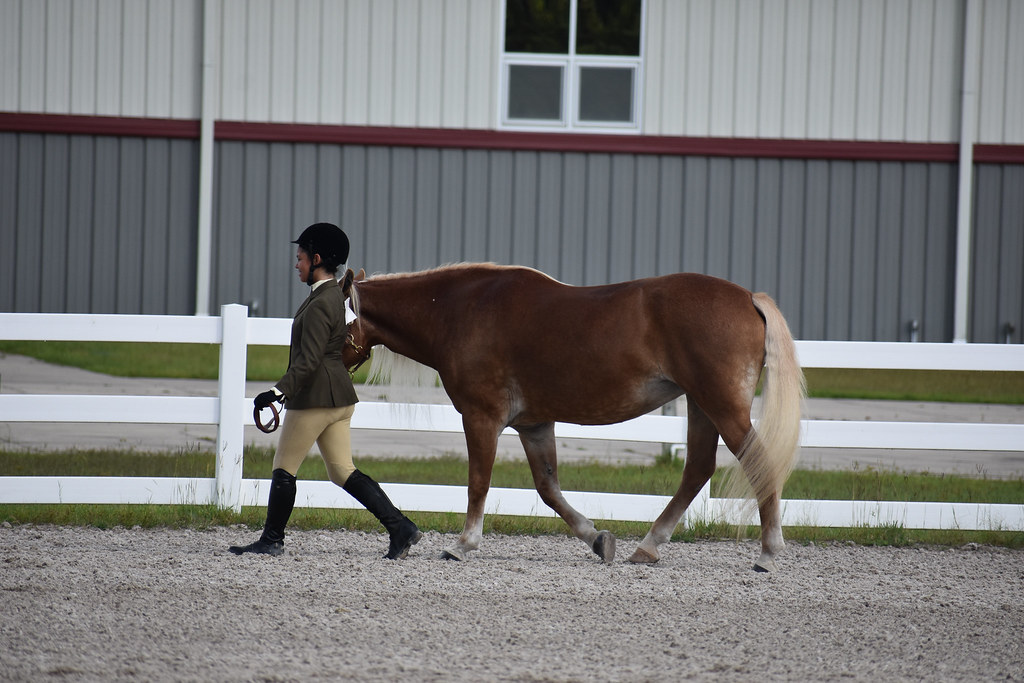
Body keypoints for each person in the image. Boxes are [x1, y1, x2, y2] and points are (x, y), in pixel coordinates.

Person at [229, 222, 421, 560]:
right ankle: (400, 527)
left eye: (300, 258)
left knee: (284, 467)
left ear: (316, 259)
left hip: (316, 399)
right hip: (339, 398)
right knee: (342, 471)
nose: (296, 264)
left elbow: (310, 360)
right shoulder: (331, 294)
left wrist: (276, 392)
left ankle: (272, 540)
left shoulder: (321, 302)